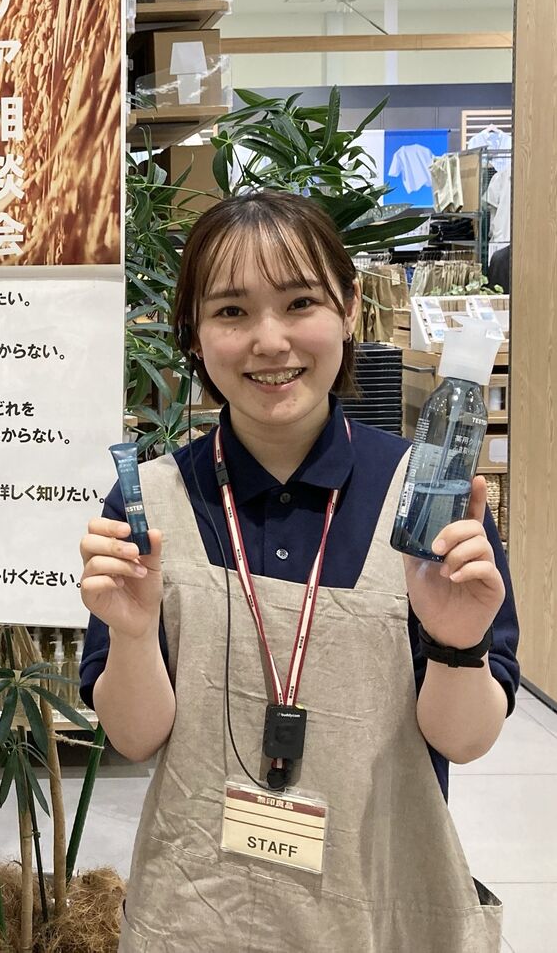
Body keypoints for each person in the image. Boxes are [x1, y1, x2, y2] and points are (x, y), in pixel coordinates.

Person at [79, 192, 518, 952]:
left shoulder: (428, 496)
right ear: (193, 335)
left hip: (379, 907)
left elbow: (466, 740)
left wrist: (457, 643)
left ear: (349, 310)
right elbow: (135, 736)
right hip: (198, 911)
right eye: (231, 311)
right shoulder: (150, 501)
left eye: (299, 303)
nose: (270, 340)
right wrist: (134, 631)